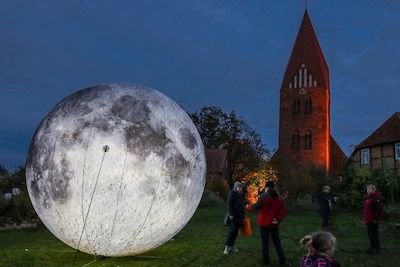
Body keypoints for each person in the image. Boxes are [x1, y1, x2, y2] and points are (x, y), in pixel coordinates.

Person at [246, 181, 286, 265]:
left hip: (264, 223)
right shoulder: (280, 198)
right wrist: (278, 219)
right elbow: (283, 211)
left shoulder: (264, 196)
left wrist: (248, 206)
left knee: (265, 242)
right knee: (276, 241)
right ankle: (282, 259)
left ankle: (266, 261)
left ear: (267, 187)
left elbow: (256, 207)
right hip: (274, 223)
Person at [224, 181, 245, 254]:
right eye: (239, 187)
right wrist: (231, 214)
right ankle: (226, 248)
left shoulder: (241, 194)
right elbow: (229, 204)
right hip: (233, 216)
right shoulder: (232, 193)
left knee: (235, 233)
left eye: (241, 187)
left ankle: (232, 247)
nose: (240, 188)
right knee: (232, 232)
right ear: (235, 187)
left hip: (239, 216)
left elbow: (241, 204)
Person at [363, 184, 382, 255]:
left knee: (374, 234)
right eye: (367, 189)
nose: (367, 191)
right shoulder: (369, 198)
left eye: (369, 189)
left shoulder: (376, 198)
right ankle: (372, 248)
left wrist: (375, 219)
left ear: (373, 190)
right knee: (370, 234)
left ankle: (376, 250)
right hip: (368, 220)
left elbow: (378, 209)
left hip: (373, 220)